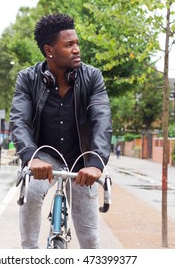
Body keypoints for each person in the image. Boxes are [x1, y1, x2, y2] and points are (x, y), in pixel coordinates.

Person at [9, 13, 112, 249]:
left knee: (90, 240)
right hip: (44, 156)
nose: (77, 49)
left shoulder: (93, 77)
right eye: (69, 45)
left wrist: (96, 163)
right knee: (32, 192)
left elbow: (102, 120)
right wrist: (31, 158)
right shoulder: (27, 78)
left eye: (77, 43)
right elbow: (19, 120)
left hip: (82, 159)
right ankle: (29, 253)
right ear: (49, 50)